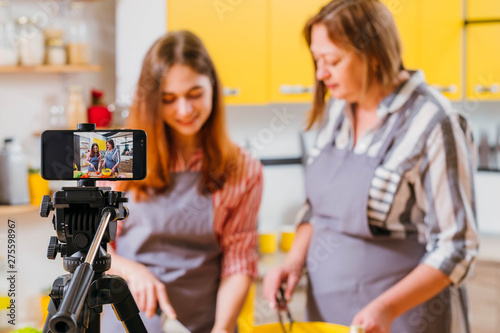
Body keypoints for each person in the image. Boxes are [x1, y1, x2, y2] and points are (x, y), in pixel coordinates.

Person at [263, 1, 478, 333]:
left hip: (402, 319)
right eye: (317, 60)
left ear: (374, 52)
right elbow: (316, 210)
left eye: (332, 61)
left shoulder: (433, 122)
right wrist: (293, 263)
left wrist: (386, 308)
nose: (321, 74)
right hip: (329, 314)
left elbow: (457, 247)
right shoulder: (338, 111)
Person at [102, 30, 263, 333]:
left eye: (195, 94)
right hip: (125, 322)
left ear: (212, 87)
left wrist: (223, 328)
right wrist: (131, 271)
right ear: (151, 101)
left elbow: (239, 261)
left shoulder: (242, 168)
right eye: (169, 99)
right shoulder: (120, 157)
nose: (184, 111)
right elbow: (93, 249)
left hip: (204, 324)